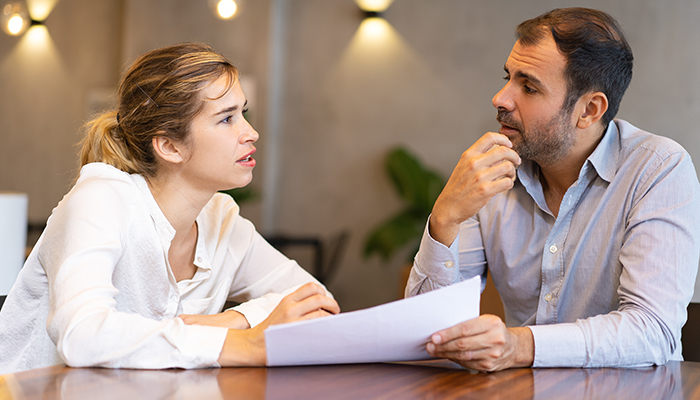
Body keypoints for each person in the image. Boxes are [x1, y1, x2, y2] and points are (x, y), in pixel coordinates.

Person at [0, 43, 339, 374]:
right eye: (226, 119)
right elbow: (82, 335)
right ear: (169, 146)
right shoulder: (101, 199)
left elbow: (317, 301)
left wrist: (230, 320)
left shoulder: (222, 220)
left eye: (243, 114)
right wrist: (243, 343)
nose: (251, 133)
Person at [406, 7, 700, 371]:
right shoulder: (493, 171)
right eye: (508, 77)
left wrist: (520, 346)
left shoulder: (657, 169)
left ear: (589, 110)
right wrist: (445, 217)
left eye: (528, 87)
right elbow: (426, 331)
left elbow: (651, 331)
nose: (501, 98)